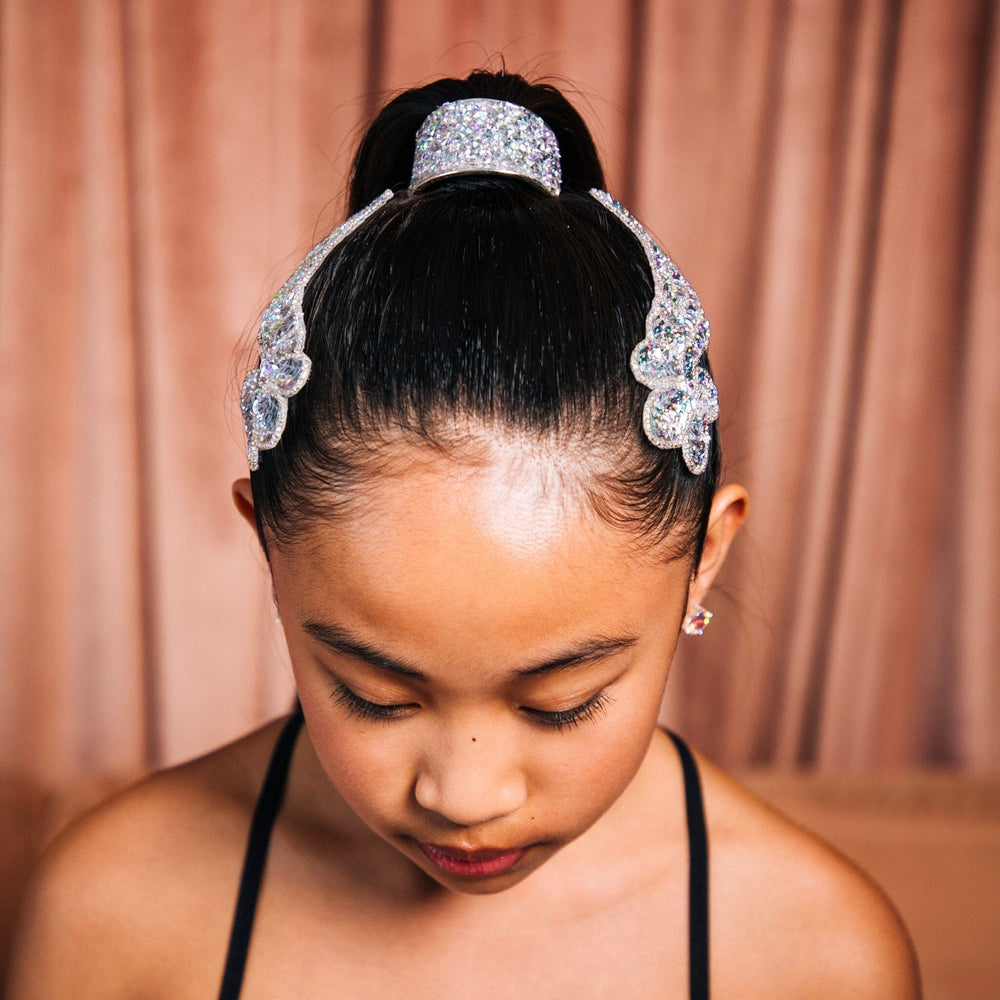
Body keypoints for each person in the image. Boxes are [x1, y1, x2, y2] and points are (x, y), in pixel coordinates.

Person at [9, 71, 919, 999]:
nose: (463, 797)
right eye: (376, 696)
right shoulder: (110, 910)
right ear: (268, 552)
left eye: (562, 702)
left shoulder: (817, 956)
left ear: (705, 560)